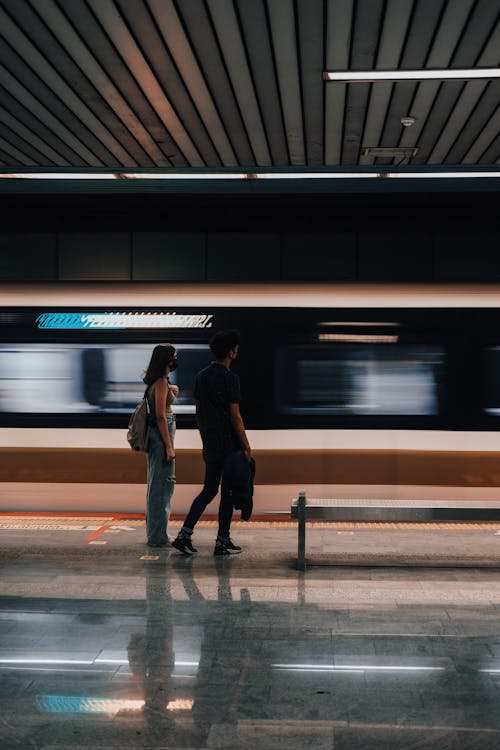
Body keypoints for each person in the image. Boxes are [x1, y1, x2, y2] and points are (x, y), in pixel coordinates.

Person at [172, 330, 251, 556]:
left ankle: (184, 535)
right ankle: (222, 541)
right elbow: (235, 416)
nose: (237, 351)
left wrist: (206, 438)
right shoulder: (230, 378)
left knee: (208, 490)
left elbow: (199, 413)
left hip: (211, 443)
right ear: (230, 351)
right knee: (226, 493)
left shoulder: (201, 376)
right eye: (235, 348)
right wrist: (246, 445)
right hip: (229, 444)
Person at [143, 343, 179, 548]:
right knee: (162, 488)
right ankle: (158, 536)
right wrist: (169, 446)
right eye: (173, 356)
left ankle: (155, 533)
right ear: (166, 360)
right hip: (161, 438)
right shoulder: (161, 383)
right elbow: (159, 416)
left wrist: (172, 392)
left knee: (157, 486)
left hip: (157, 438)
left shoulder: (159, 382)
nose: (176, 360)